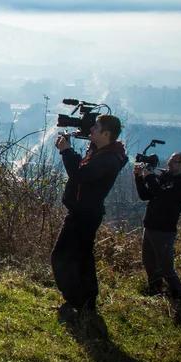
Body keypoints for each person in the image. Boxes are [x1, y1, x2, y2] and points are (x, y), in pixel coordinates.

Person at [52, 115, 127, 322]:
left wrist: (66, 151)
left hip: (84, 215)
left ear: (107, 134)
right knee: (83, 259)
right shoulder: (105, 153)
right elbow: (84, 170)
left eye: (96, 126)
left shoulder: (108, 159)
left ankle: (77, 301)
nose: (90, 128)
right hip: (86, 212)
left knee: (61, 257)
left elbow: (80, 175)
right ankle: (87, 302)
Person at [134, 152, 181, 301]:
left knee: (166, 267)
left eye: (173, 162)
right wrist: (138, 177)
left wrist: (149, 177)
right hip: (150, 226)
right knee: (149, 263)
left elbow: (164, 198)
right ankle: (155, 290)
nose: (169, 164)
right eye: (169, 160)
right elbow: (145, 195)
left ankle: (178, 295)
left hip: (164, 230)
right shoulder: (165, 178)